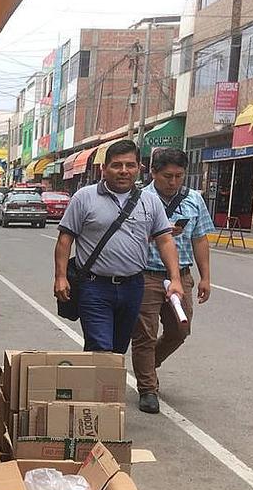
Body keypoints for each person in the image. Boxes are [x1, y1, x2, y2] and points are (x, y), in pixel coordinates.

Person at [54, 140, 184, 355]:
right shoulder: (84, 197)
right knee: (101, 349)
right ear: (104, 168)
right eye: (117, 165)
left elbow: (165, 240)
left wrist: (175, 279)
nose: (124, 171)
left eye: (130, 165)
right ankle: (99, 375)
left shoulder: (150, 201)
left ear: (139, 168)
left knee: (118, 350)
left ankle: (103, 377)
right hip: (94, 287)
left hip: (133, 287)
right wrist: (60, 277)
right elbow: (65, 239)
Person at [130, 148, 214, 414]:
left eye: (179, 176)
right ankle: (147, 388)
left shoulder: (194, 199)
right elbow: (129, 238)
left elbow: (200, 238)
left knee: (180, 328)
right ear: (153, 173)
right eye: (167, 176)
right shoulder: (139, 199)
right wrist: (161, 233)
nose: (173, 181)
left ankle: (148, 364)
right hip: (146, 274)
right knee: (144, 333)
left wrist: (206, 277)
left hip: (181, 276)